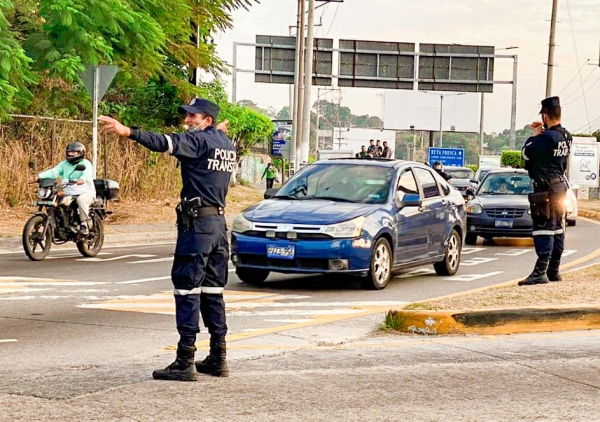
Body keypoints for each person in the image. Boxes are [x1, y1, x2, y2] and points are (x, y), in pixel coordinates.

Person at [99, 98, 235, 381]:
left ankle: (185, 360)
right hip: (219, 226)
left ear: (206, 120)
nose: (186, 122)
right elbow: (212, 140)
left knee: (186, 289)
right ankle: (218, 356)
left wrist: (128, 132)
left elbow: (164, 142)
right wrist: (215, 131)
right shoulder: (225, 143)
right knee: (213, 291)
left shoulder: (198, 142)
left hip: (197, 226)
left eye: (192, 117)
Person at [518, 96, 572, 286]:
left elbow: (525, 153)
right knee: (557, 228)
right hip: (560, 187)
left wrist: (535, 134)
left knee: (543, 228)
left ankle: (540, 272)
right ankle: (553, 270)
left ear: (545, 115)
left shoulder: (545, 138)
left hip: (545, 188)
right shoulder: (566, 136)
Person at [35, 142, 96, 235]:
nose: (71, 154)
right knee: (55, 202)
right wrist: (39, 176)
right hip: (69, 194)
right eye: (69, 152)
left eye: (74, 152)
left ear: (80, 153)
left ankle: (84, 224)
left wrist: (82, 179)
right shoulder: (64, 164)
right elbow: (54, 172)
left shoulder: (86, 163)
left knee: (81, 200)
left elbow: (86, 173)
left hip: (85, 193)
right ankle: (60, 225)